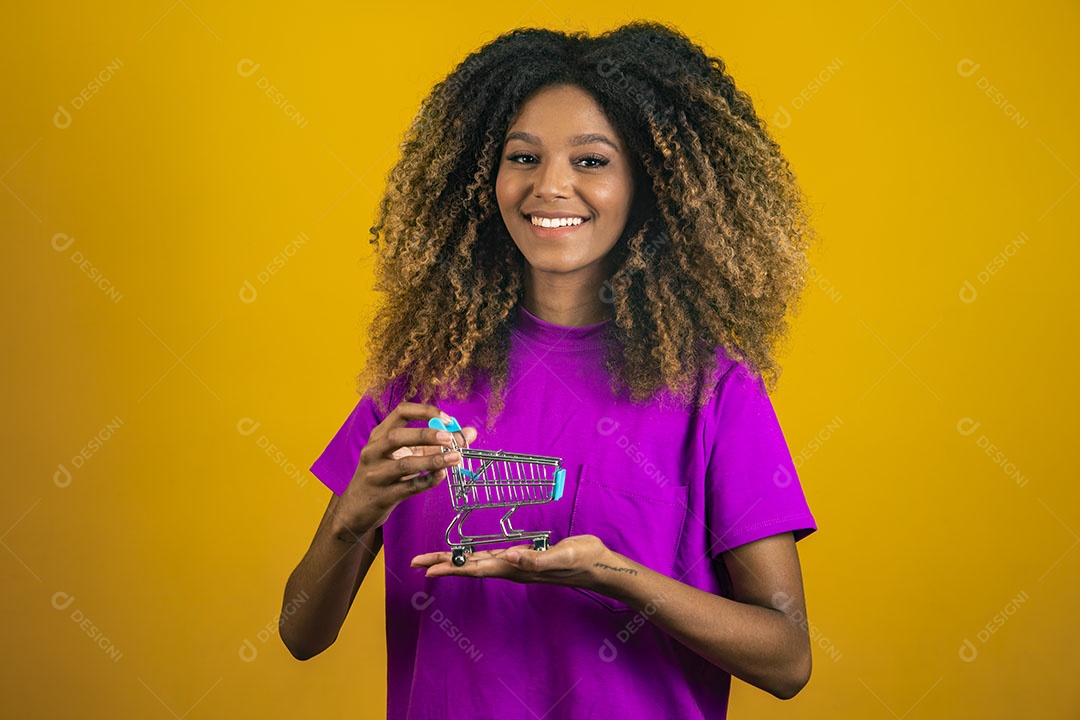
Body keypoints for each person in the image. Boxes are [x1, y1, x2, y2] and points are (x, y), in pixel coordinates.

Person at [281, 20, 819, 720]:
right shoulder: (420, 382)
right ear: (484, 177)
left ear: (646, 185)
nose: (550, 186)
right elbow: (301, 633)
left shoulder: (714, 392)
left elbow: (787, 658)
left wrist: (611, 577)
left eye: (592, 161)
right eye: (522, 157)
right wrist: (350, 519)